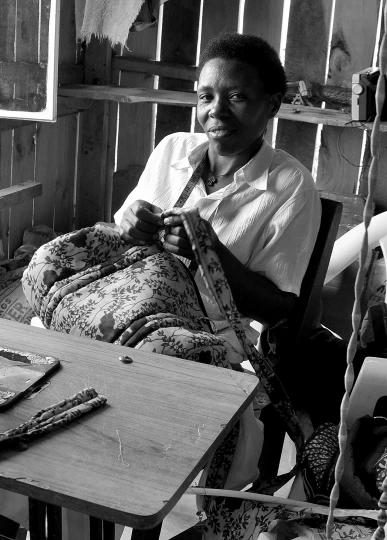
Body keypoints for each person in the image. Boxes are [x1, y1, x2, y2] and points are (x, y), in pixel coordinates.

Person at [114, 32, 321, 364]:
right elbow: (122, 227)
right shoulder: (173, 148)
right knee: (44, 268)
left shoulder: (291, 186)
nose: (217, 111)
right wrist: (131, 220)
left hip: (207, 330)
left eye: (237, 96)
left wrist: (212, 254)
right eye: (205, 96)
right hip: (132, 302)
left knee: (149, 351)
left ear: (272, 105)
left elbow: (277, 310)